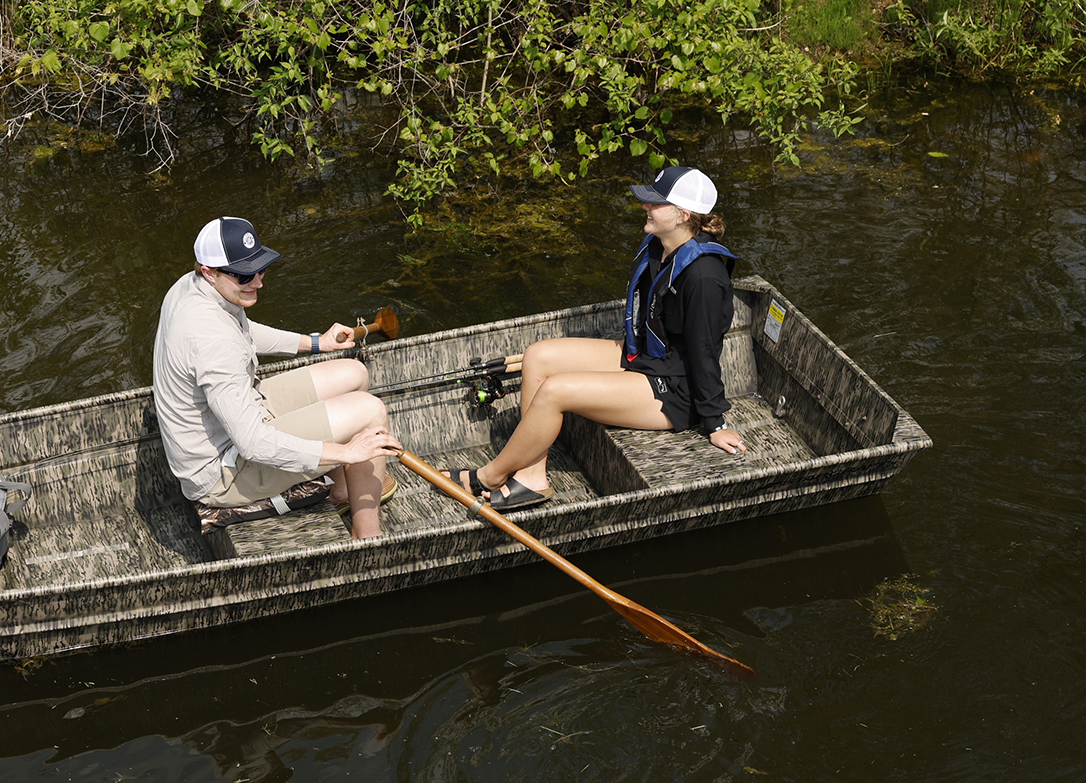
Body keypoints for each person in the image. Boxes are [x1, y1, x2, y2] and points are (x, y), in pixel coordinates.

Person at [449, 166, 747, 511]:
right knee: (538, 356)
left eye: (655, 203)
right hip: (646, 358)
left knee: (555, 391)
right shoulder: (660, 244)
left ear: (682, 215)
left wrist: (715, 422)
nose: (645, 207)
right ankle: (532, 476)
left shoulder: (703, 276)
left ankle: (489, 476)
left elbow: (705, 350)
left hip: (675, 390)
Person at [153, 217, 403, 538]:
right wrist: (347, 452)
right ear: (209, 272)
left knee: (354, 372)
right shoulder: (212, 341)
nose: (258, 282)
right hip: (224, 472)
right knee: (371, 412)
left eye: (260, 269)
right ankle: (367, 538)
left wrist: (317, 342)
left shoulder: (193, 286)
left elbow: (244, 331)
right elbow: (254, 443)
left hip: (241, 415)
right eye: (245, 274)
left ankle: (341, 491)